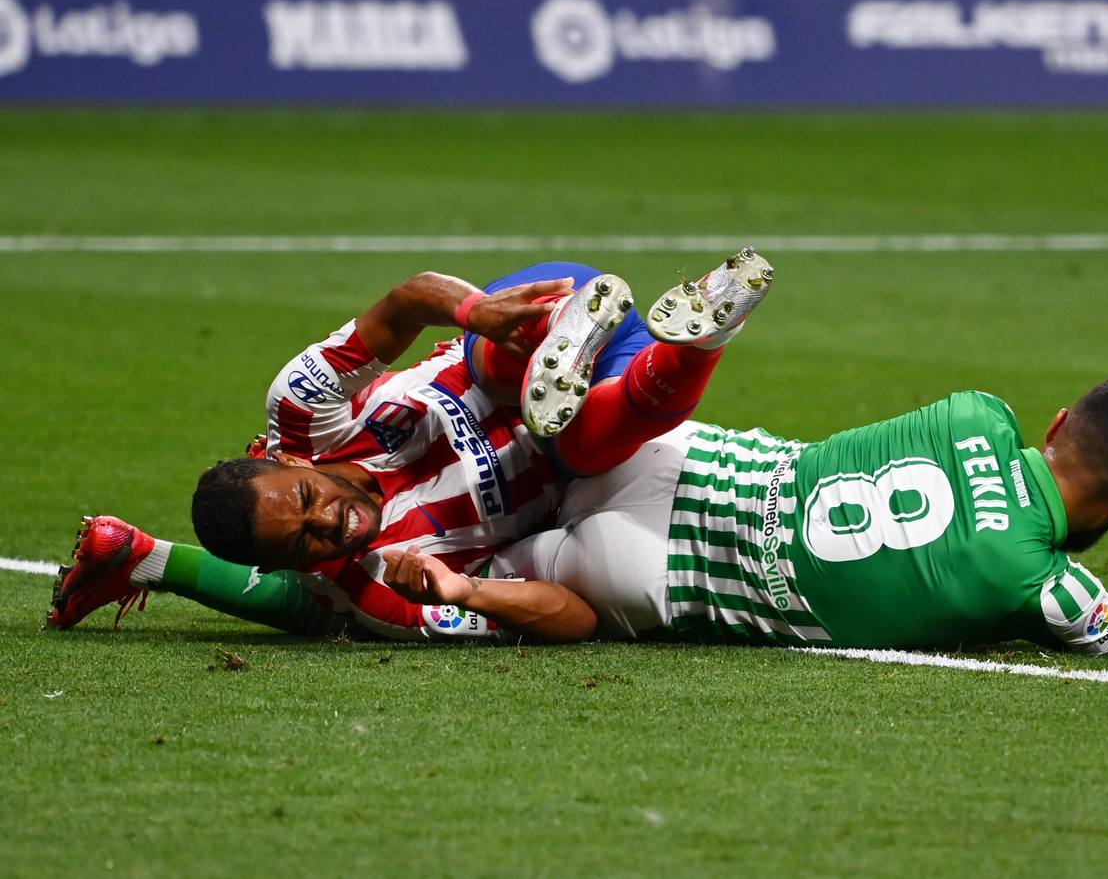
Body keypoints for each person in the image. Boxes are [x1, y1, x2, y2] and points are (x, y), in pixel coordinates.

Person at [47, 250, 777, 641]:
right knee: (582, 444)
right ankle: (702, 336)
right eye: (306, 544)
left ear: (291, 460)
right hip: (593, 423)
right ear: (287, 567)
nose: (327, 524)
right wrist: (468, 591)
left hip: (532, 321)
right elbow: (576, 617)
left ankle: (560, 339)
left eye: (306, 501)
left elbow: (406, 301)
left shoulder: (301, 409)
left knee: (497, 368)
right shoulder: (380, 593)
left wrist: (477, 311)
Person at [388, 385, 1108, 655]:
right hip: (649, 570)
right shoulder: (1033, 584)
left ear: (1052, 425)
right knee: (411, 572)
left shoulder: (975, 412)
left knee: (473, 447)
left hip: (682, 452)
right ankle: (441, 580)